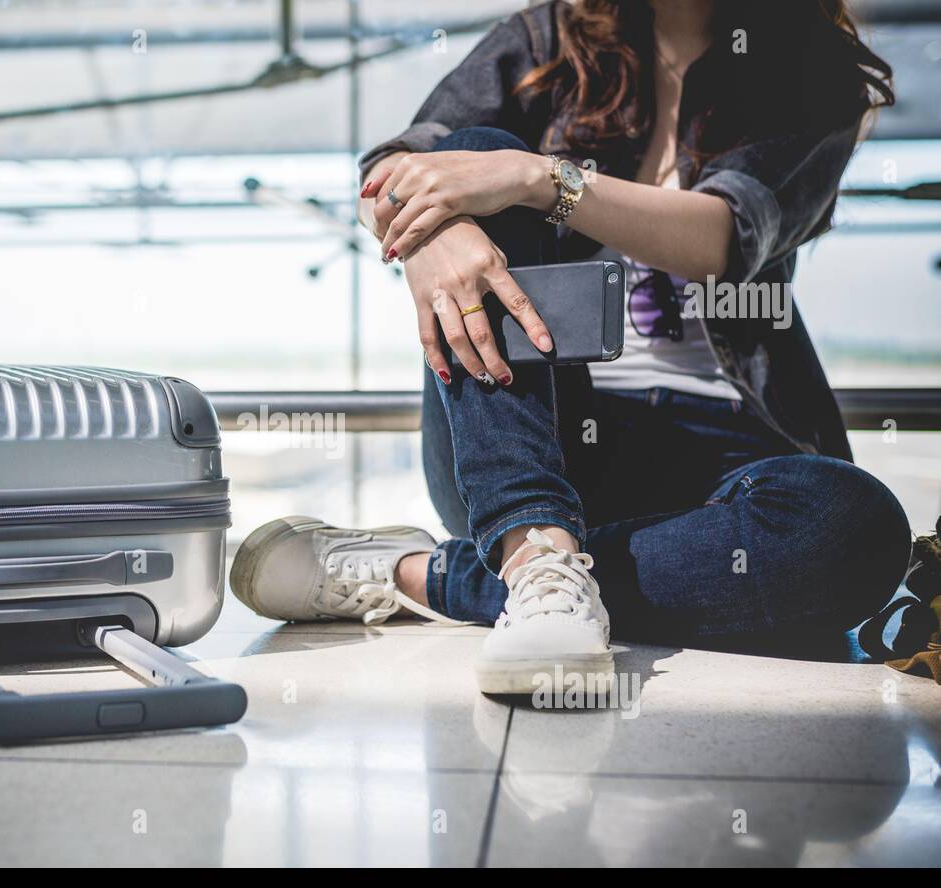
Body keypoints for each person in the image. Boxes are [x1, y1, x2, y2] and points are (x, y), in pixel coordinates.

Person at [229, 0, 914, 694]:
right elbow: (391, 172)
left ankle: (449, 575)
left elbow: (723, 239)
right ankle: (533, 545)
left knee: (854, 529)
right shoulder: (547, 38)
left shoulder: (814, 70)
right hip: (532, 432)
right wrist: (435, 237)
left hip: (724, 453)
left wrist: (536, 179)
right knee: (465, 151)